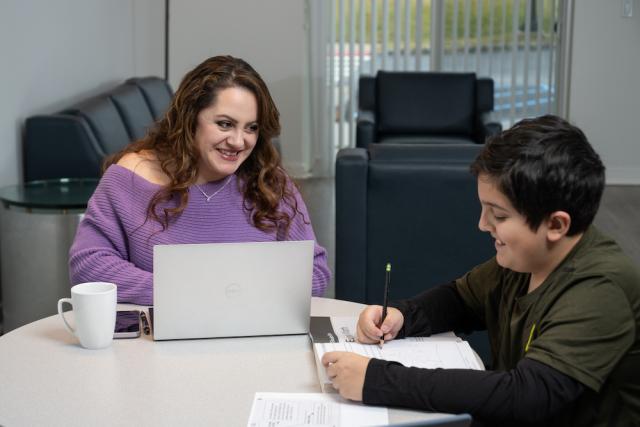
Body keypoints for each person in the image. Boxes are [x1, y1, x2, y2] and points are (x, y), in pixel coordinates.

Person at [321, 115, 640, 426]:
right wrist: (402, 317)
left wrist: (376, 379)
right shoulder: (526, 259)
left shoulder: (602, 289)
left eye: (499, 216)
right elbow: (459, 299)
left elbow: (526, 396)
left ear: (555, 224)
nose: (483, 225)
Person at [69, 55, 331, 305]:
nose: (239, 141)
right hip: (154, 346)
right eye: (225, 124)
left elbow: (315, 271)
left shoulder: (269, 181)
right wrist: (188, 294)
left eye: (251, 127)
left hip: (253, 340)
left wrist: (238, 297)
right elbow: (89, 265)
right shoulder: (129, 178)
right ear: (190, 118)